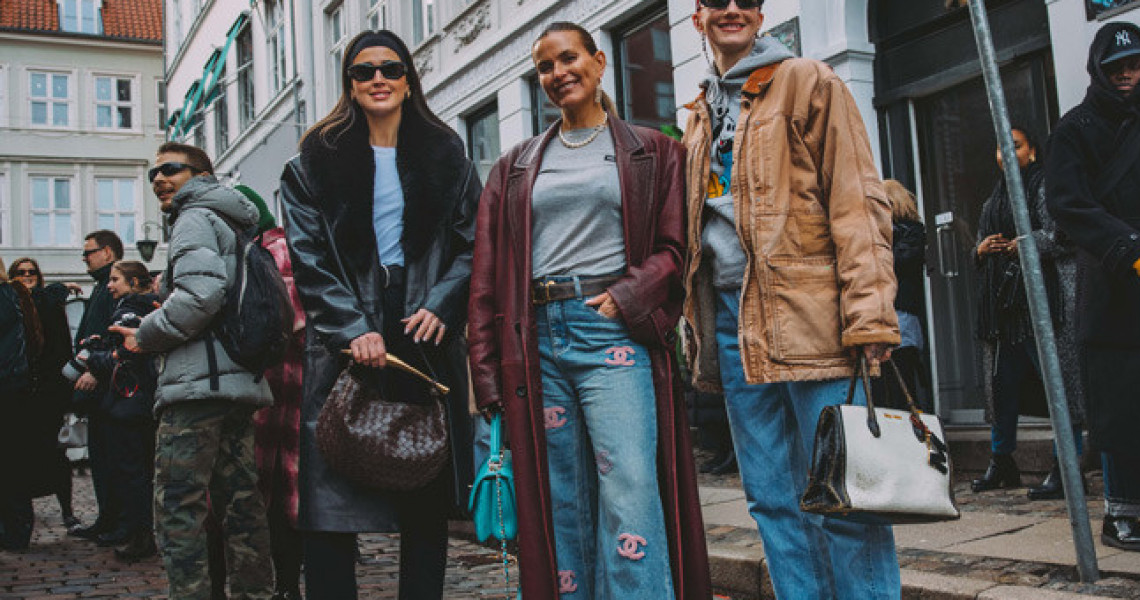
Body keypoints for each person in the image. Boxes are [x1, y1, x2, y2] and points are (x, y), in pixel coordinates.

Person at [469, 21, 711, 600]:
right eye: (546, 67)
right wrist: (485, 371)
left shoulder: (654, 151)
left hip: (610, 330)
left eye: (569, 58)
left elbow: (676, 249)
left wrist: (626, 297)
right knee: (562, 496)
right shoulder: (516, 165)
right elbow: (485, 274)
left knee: (628, 488)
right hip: (536, 337)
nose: (559, 73)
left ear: (599, 62)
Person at [681, 1, 902, 597]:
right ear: (697, 15)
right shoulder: (700, 112)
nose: (733, 8)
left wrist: (871, 314)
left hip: (812, 317)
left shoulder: (808, 81)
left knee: (847, 495)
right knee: (773, 500)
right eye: (717, 0)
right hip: (733, 323)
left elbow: (859, 200)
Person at [279, 29, 478, 599]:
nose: (378, 80)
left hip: (423, 326)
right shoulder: (314, 160)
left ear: (409, 77)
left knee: (424, 483)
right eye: (363, 71)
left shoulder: (447, 154)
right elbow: (308, 256)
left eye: (390, 68)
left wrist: (443, 300)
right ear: (349, 83)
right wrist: (350, 327)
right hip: (346, 330)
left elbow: (473, 242)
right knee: (332, 488)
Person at [1046, 22, 1140, 552]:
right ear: (1099, 70)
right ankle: (1120, 515)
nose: (1128, 74)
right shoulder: (1073, 128)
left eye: (1135, 64)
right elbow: (1067, 203)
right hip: (1112, 272)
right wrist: (1128, 245)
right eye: (1117, 67)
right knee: (1120, 394)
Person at [110, 141, 275, 597]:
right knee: (242, 506)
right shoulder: (234, 221)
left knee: (178, 508)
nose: (159, 178)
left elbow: (201, 297)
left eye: (171, 169)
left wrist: (144, 334)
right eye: (154, 174)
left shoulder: (194, 218)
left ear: (201, 176)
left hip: (196, 389)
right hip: (236, 383)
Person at [971, 127, 1087, 500]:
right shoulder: (994, 198)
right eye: (1001, 148)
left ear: (1033, 151)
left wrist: (1024, 244)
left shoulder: (1045, 185)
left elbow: (1064, 234)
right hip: (1004, 308)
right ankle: (1002, 461)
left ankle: (1066, 467)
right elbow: (978, 241)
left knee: (1058, 385)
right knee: (1002, 387)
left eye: (1016, 145)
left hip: (1044, 302)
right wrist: (981, 249)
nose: (1006, 153)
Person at [242, 185, 306, 600]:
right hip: (273, 390)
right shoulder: (255, 251)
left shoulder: (275, 251)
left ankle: (283, 585)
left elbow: (290, 322)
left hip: (282, 390)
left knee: (280, 494)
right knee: (277, 494)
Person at [81, 260, 159, 562]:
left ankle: (139, 535)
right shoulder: (144, 307)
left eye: (115, 279)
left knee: (131, 472)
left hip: (130, 401)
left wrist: (95, 358)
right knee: (135, 471)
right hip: (134, 402)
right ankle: (136, 532)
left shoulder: (131, 311)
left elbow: (127, 356)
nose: (110, 285)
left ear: (134, 282)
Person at [8, 258, 82, 532]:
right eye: (20, 273)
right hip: (19, 396)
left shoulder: (49, 301)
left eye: (31, 272)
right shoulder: (11, 303)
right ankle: (22, 516)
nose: (27, 276)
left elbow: (62, 345)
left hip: (47, 395)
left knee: (55, 455)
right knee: (20, 457)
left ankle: (67, 511)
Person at [70, 230, 125, 544]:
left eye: (88, 252)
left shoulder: (110, 287)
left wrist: (95, 369)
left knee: (110, 458)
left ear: (106, 252)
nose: (84, 257)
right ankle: (107, 519)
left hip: (106, 385)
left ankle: (115, 521)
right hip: (98, 385)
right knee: (101, 457)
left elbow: (109, 335)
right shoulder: (101, 286)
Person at [875, 181, 931, 412]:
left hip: (902, 311)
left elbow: (898, 262)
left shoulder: (911, 233)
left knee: (903, 379)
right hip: (888, 311)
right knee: (885, 382)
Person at [0, 259, 43, 550]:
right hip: (14, 386)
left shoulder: (6, 296)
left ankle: (14, 531)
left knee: (10, 462)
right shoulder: (12, 296)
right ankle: (16, 530)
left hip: (8, 387)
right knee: (12, 461)